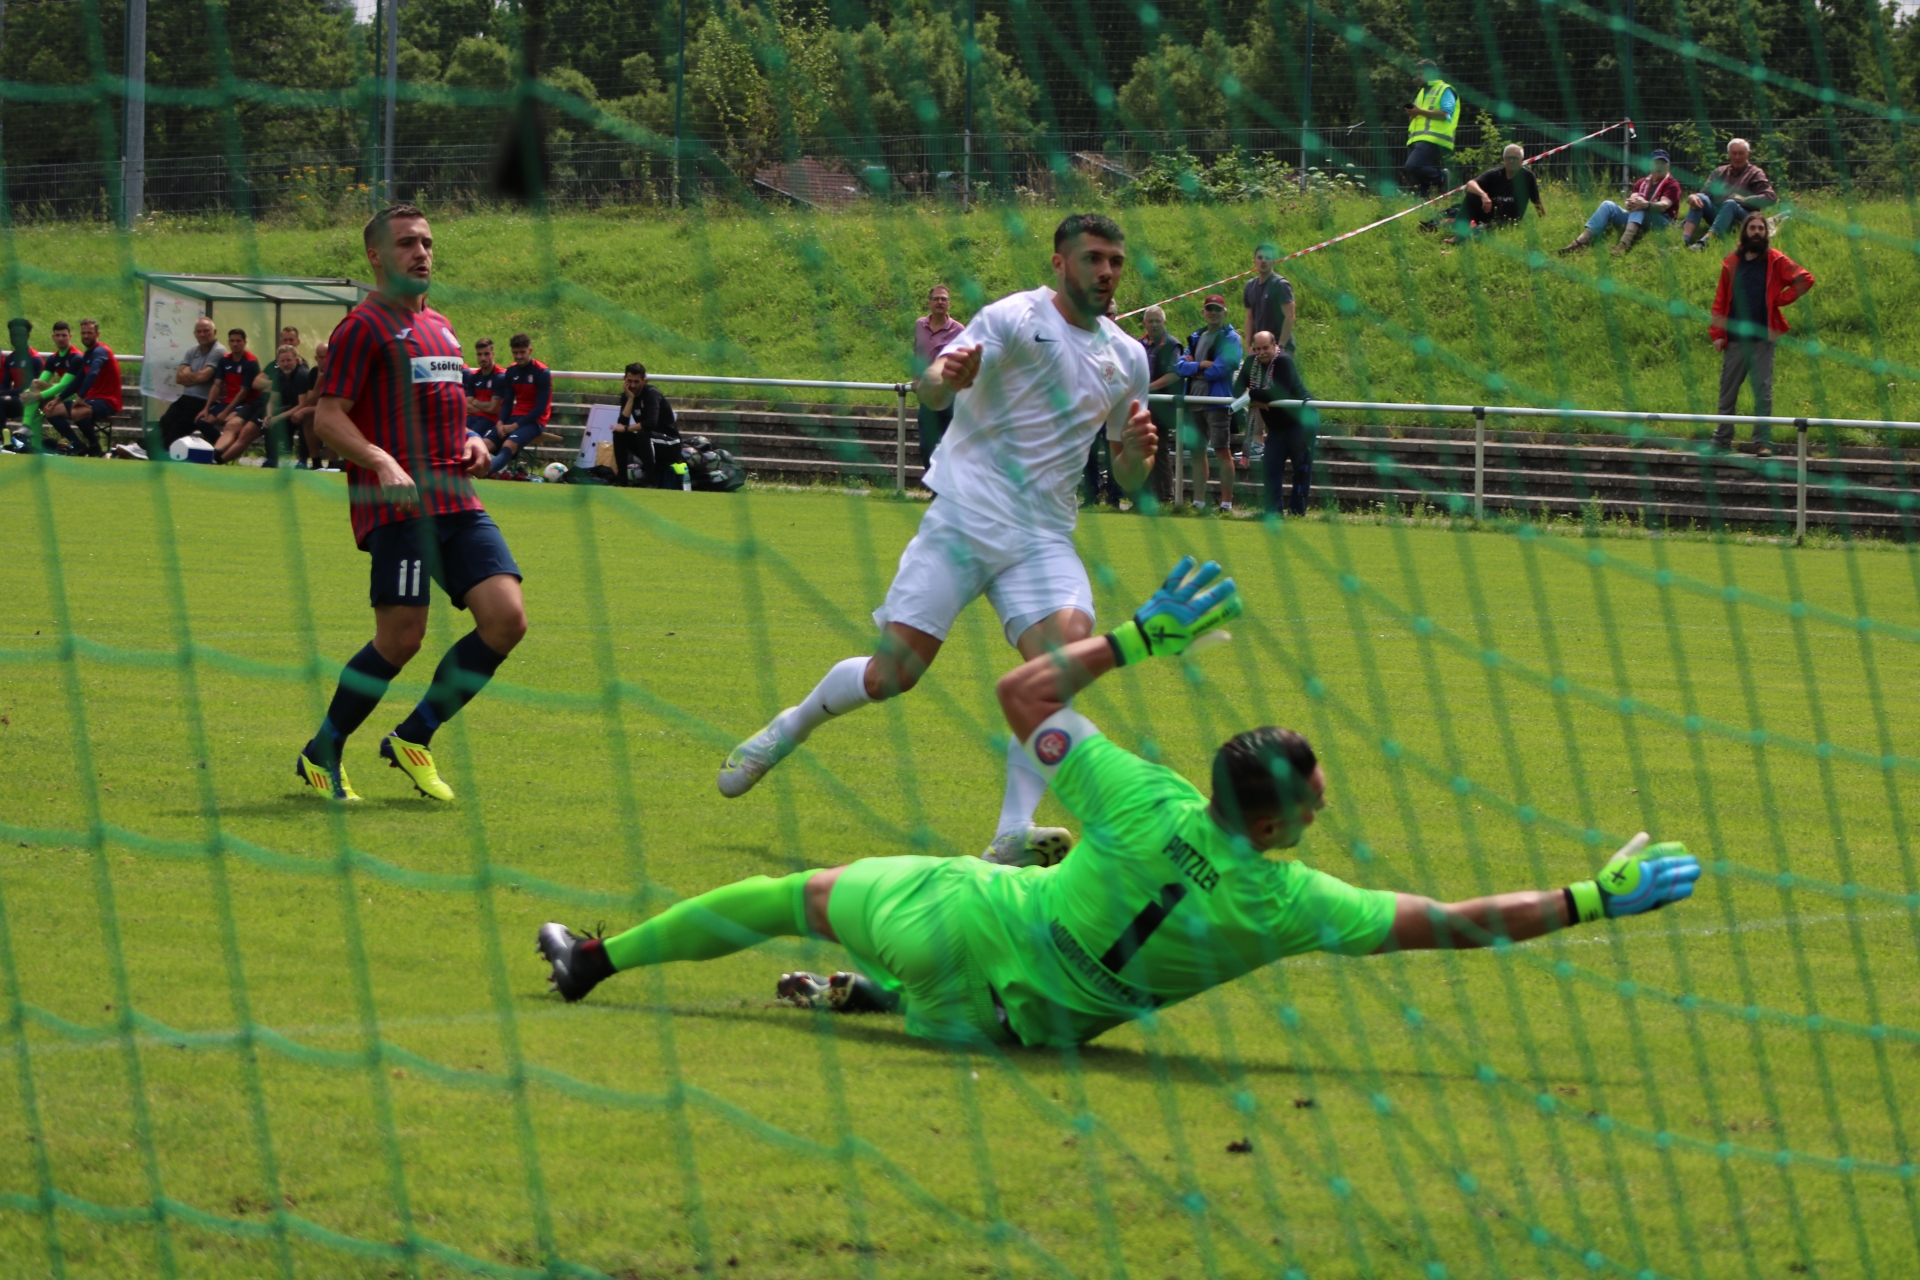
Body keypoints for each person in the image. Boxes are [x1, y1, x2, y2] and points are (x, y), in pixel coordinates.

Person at [538, 558, 1703, 1048]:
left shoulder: (1141, 795)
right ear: (1277, 823)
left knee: (794, 891)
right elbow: (1454, 921)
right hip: (1011, 1033)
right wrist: (1591, 897)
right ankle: (881, 996)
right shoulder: (1292, 903)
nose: (1324, 798)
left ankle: (598, 959)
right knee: (1021, 924)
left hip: (959, 921)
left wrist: (1140, 636)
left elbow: (1018, 692)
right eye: (1315, 792)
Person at [716, 213, 1157, 869]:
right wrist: (946, 378)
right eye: (1093, 258)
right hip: (964, 520)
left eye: (1115, 261)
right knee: (892, 675)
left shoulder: (1128, 357)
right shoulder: (1012, 318)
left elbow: (1126, 475)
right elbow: (928, 391)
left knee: (1058, 667)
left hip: (1042, 538)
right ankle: (792, 725)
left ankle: (1012, 832)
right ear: (1060, 262)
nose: (1107, 271)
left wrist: (1139, 456)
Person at [297, 204, 528, 803]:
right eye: (406, 243)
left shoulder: (442, 326)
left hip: (457, 497)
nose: (421, 252)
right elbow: (327, 418)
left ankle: (414, 736)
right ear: (376, 255)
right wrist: (380, 460)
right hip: (397, 504)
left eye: (426, 242)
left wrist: (474, 439)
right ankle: (322, 752)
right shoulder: (362, 327)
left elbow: (442, 411)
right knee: (401, 639)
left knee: (506, 619)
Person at [1708, 212, 1813, 458]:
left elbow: (1805, 279)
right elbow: (1720, 300)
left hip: (1763, 339)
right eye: (1753, 228)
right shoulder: (1731, 262)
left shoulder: (1776, 260)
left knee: (1762, 392)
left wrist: (1780, 299)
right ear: (1745, 232)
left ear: (1766, 233)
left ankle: (1762, 442)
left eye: (1761, 228)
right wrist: (1717, 333)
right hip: (1734, 338)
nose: (1757, 232)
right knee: (1727, 391)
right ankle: (1721, 440)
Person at [1231, 331, 1315, 517]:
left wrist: (1252, 394)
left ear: (1275, 345)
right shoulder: (1251, 362)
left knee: (1301, 469)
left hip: (1301, 422)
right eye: (1257, 349)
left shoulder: (1284, 361)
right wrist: (1256, 397)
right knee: (1270, 467)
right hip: (1276, 426)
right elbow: (1236, 389)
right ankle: (1273, 512)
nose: (1261, 352)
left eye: (1265, 348)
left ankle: (1297, 512)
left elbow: (1279, 392)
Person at [1174, 295, 1243, 512]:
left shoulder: (1231, 338)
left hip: (1217, 402)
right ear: (1203, 312)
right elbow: (1179, 367)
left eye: (1217, 309)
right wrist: (1202, 365)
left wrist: (1195, 369)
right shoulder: (1196, 336)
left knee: (1222, 451)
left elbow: (1221, 368)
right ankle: (1198, 502)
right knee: (1197, 452)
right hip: (1194, 401)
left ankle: (1226, 503)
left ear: (1225, 312)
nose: (1213, 313)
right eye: (1209, 309)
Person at [1560, 149, 1684, 256]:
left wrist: (1644, 205)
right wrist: (1630, 203)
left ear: (1668, 166)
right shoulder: (1641, 182)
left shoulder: (1672, 184)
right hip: (1639, 217)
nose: (1659, 166)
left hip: (1663, 221)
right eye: (1656, 162)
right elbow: (1633, 198)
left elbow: (1664, 206)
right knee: (1607, 205)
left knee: (1639, 207)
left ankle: (1623, 245)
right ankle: (1581, 241)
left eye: (1663, 163)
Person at [1681, 138, 1777, 250]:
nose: (1737, 157)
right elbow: (1705, 194)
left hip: (1743, 219)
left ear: (1748, 154)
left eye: (1741, 153)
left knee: (1730, 203)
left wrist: (1745, 200)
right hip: (1719, 215)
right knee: (1700, 198)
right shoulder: (1719, 172)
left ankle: (1704, 242)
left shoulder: (1755, 173)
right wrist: (1693, 196)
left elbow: (1771, 197)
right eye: (1734, 153)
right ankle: (1685, 239)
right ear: (1728, 154)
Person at [1439, 144, 1544, 242]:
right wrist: (1483, 195)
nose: (1511, 161)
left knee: (1478, 233)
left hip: (1508, 219)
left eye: (1515, 158)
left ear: (1521, 160)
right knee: (1472, 195)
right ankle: (1459, 234)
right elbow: (1470, 184)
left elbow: (1536, 200)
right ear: (1503, 159)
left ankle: (1469, 235)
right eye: (1508, 158)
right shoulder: (1495, 174)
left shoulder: (1528, 177)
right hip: (1490, 212)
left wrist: (1544, 221)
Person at [153, 315, 226, 452]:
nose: (202, 334)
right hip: (186, 398)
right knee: (165, 421)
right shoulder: (192, 351)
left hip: (204, 401)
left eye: (206, 331)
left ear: (214, 332)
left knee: (178, 428)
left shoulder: (219, 351)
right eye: (199, 331)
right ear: (195, 334)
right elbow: (179, 378)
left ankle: (159, 451)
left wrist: (189, 373)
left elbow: (204, 377)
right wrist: (197, 376)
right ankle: (142, 447)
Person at [913, 284, 965, 471]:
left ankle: (949, 485)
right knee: (926, 446)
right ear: (929, 303)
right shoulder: (920, 325)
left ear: (949, 304)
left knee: (951, 447)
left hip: (951, 397)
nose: (940, 302)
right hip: (928, 396)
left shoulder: (958, 330)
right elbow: (917, 354)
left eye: (944, 299)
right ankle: (934, 483)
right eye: (936, 299)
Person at [1138, 305, 1185, 508]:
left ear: (1164, 322)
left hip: (1161, 407)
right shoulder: (1139, 344)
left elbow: (1175, 374)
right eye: (1151, 321)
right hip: (1142, 405)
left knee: (1159, 450)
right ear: (1144, 324)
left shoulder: (1172, 344)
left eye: (1158, 321)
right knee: (1141, 450)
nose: (1155, 325)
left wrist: (1148, 388)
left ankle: (1166, 497)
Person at [487, 333, 551, 476]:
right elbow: (507, 402)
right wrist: (500, 422)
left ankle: (482, 474)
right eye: (515, 353)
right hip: (514, 417)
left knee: (509, 444)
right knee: (484, 444)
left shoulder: (542, 372)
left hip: (535, 421)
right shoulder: (511, 371)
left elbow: (540, 409)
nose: (519, 356)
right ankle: (459, 473)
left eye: (522, 352)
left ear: (530, 350)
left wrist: (514, 426)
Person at [612, 360, 679, 488]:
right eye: (629, 381)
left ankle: (650, 483)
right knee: (618, 434)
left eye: (636, 382)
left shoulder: (651, 393)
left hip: (670, 444)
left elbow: (651, 423)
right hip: (649, 443)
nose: (632, 385)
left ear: (644, 381)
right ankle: (621, 481)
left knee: (643, 433)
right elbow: (622, 424)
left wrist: (626, 428)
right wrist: (630, 399)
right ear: (624, 379)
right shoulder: (627, 396)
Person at [1402, 59, 1460, 196]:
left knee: (1412, 166)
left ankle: (1441, 177)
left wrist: (1420, 112)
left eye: (1421, 74)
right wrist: (1413, 114)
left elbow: (1446, 114)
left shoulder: (1445, 90)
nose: (1417, 78)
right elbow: (1419, 115)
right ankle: (1423, 205)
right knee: (1417, 182)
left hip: (1434, 138)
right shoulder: (1421, 93)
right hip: (1416, 139)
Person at [31, 322, 89, 455]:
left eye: (64, 335)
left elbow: (64, 385)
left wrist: (38, 396)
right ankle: (33, 439)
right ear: (53, 337)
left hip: (81, 397)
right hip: (66, 396)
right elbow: (41, 382)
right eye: (58, 335)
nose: (61, 338)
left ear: (70, 336)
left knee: (45, 406)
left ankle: (29, 430)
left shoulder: (76, 357)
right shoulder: (53, 358)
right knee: (36, 389)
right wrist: (29, 394)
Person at [206, 330, 263, 464]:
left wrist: (226, 412)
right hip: (229, 401)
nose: (235, 344)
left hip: (246, 402)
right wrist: (206, 408)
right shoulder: (225, 359)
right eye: (232, 341)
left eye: (238, 341)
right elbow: (217, 384)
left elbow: (244, 392)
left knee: (230, 424)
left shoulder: (251, 362)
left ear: (245, 342)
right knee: (202, 421)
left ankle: (218, 456)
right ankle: (217, 450)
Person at [254, 344, 313, 467]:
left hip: (305, 410)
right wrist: (269, 416)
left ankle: (303, 460)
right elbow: (272, 401)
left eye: (289, 360)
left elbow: (302, 405)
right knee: (268, 420)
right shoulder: (278, 375)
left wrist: (277, 418)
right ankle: (271, 460)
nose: (286, 364)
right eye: (283, 361)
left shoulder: (302, 374)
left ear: (296, 360)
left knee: (303, 419)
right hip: (291, 409)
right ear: (278, 362)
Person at [1242, 243, 1296, 359]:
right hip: (1261, 348)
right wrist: (1248, 346)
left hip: (1281, 349)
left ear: (1274, 262)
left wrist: (1280, 346)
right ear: (1254, 261)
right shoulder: (1250, 286)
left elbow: (1290, 316)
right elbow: (1250, 318)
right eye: (1260, 257)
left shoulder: (1280, 285)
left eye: (1267, 258)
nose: (1263, 261)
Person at [1, 319, 42, 448]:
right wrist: (3, 391)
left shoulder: (34, 359)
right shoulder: (11, 359)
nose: (16, 338)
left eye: (20, 335)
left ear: (27, 336)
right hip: (17, 399)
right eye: (13, 335)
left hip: (33, 401)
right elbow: (5, 384)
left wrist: (4, 392)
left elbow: (32, 386)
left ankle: (3, 439)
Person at [293, 342, 334, 469]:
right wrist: (318, 383)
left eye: (327, 356)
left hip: (338, 411)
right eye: (321, 357)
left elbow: (334, 405)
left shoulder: (338, 373)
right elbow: (310, 402)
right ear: (316, 358)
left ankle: (333, 462)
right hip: (322, 409)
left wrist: (305, 410)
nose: (325, 360)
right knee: (308, 417)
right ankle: (316, 461)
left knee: (328, 418)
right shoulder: (314, 373)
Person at [462, 337, 509, 437]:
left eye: (486, 354)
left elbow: (492, 409)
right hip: (472, 417)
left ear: (493, 354)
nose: (483, 358)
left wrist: (475, 402)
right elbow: (466, 406)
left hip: (491, 420)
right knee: (453, 435)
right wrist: (485, 408)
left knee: (469, 439)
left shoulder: (500, 377)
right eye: (479, 354)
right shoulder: (474, 376)